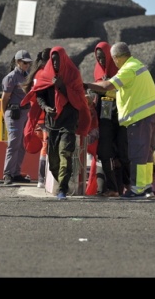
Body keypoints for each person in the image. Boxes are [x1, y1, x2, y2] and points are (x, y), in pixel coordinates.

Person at [85, 42, 155, 199]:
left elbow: (108, 85)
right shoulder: (137, 65)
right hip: (152, 114)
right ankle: (147, 187)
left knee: (137, 153)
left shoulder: (127, 69)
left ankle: (139, 189)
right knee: (147, 153)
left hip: (140, 117)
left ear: (116, 57)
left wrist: (86, 85)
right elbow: (119, 92)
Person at [21, 46, 91, 200]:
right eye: (53, 60)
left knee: (65, 153)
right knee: (53, 160)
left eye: (58, 59)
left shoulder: (73, 74)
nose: (55, 63)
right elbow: (39, 95)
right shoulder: (46, 74)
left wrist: (63, 87)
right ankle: (61, 182)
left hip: (69, 121)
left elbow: (79, 100)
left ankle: (63, 189)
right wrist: (45, 107)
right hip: (52, 122)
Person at [92, 41, 130, 197]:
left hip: (121, 116)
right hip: (105, 116)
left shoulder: (121, 71)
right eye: (98, 58)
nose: (101, 61)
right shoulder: (97, 71)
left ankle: (129, 186)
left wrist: (108, 84)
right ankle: (113, 188)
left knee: (123, 152)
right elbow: (97, 94)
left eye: (103, 57)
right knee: (104, 152)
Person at [1, 50, 33, 185]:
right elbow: (4, 98)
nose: (27, 65)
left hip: (25, 112)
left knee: (21, 144)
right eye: (24, 62)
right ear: (17, 62)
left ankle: (15, 172)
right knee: (14, 143)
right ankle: (7, 173)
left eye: (28, 63)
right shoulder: (11, 77)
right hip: (14, 113)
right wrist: (4, 115)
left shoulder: (28, 76)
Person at [23, 47, 52, 188]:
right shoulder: (45, 74)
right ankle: (42, 178)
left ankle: (42, 179)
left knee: (44, 148)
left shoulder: (35, 74)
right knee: (46, 148)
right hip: (44, 117)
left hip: (37, 118)